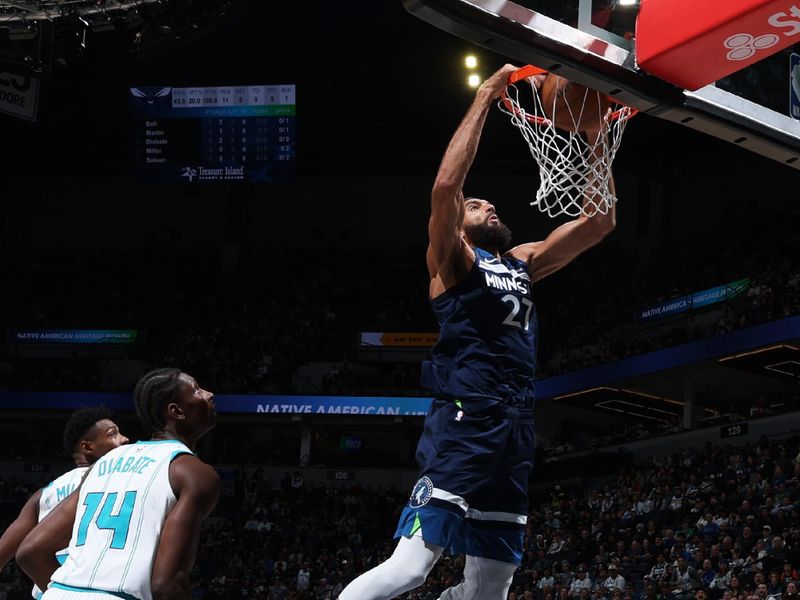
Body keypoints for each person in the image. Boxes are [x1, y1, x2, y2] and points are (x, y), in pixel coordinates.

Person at [337, 62, 617, 600]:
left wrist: (594, 137)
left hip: (514, 427)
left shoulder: (521, 261)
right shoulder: (451, 262)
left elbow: (599, 222)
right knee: (411, 570)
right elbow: (446, 187)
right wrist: (488, 95)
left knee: (492, 585)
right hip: (467, 419)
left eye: (488, 202)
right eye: (476, 204)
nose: (487, 204)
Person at [16, 368, 220, 600]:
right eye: (196, 390)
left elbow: (30, 552)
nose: (209, 394)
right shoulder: (194, 473)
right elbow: (167, 584)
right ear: (176, 411)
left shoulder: (104, 463)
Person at [0, 406, 129, 599]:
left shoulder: (42, 495)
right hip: (101, 591)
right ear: (87, 447)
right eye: (113, 434)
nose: (125, 439)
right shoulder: (121, 481)